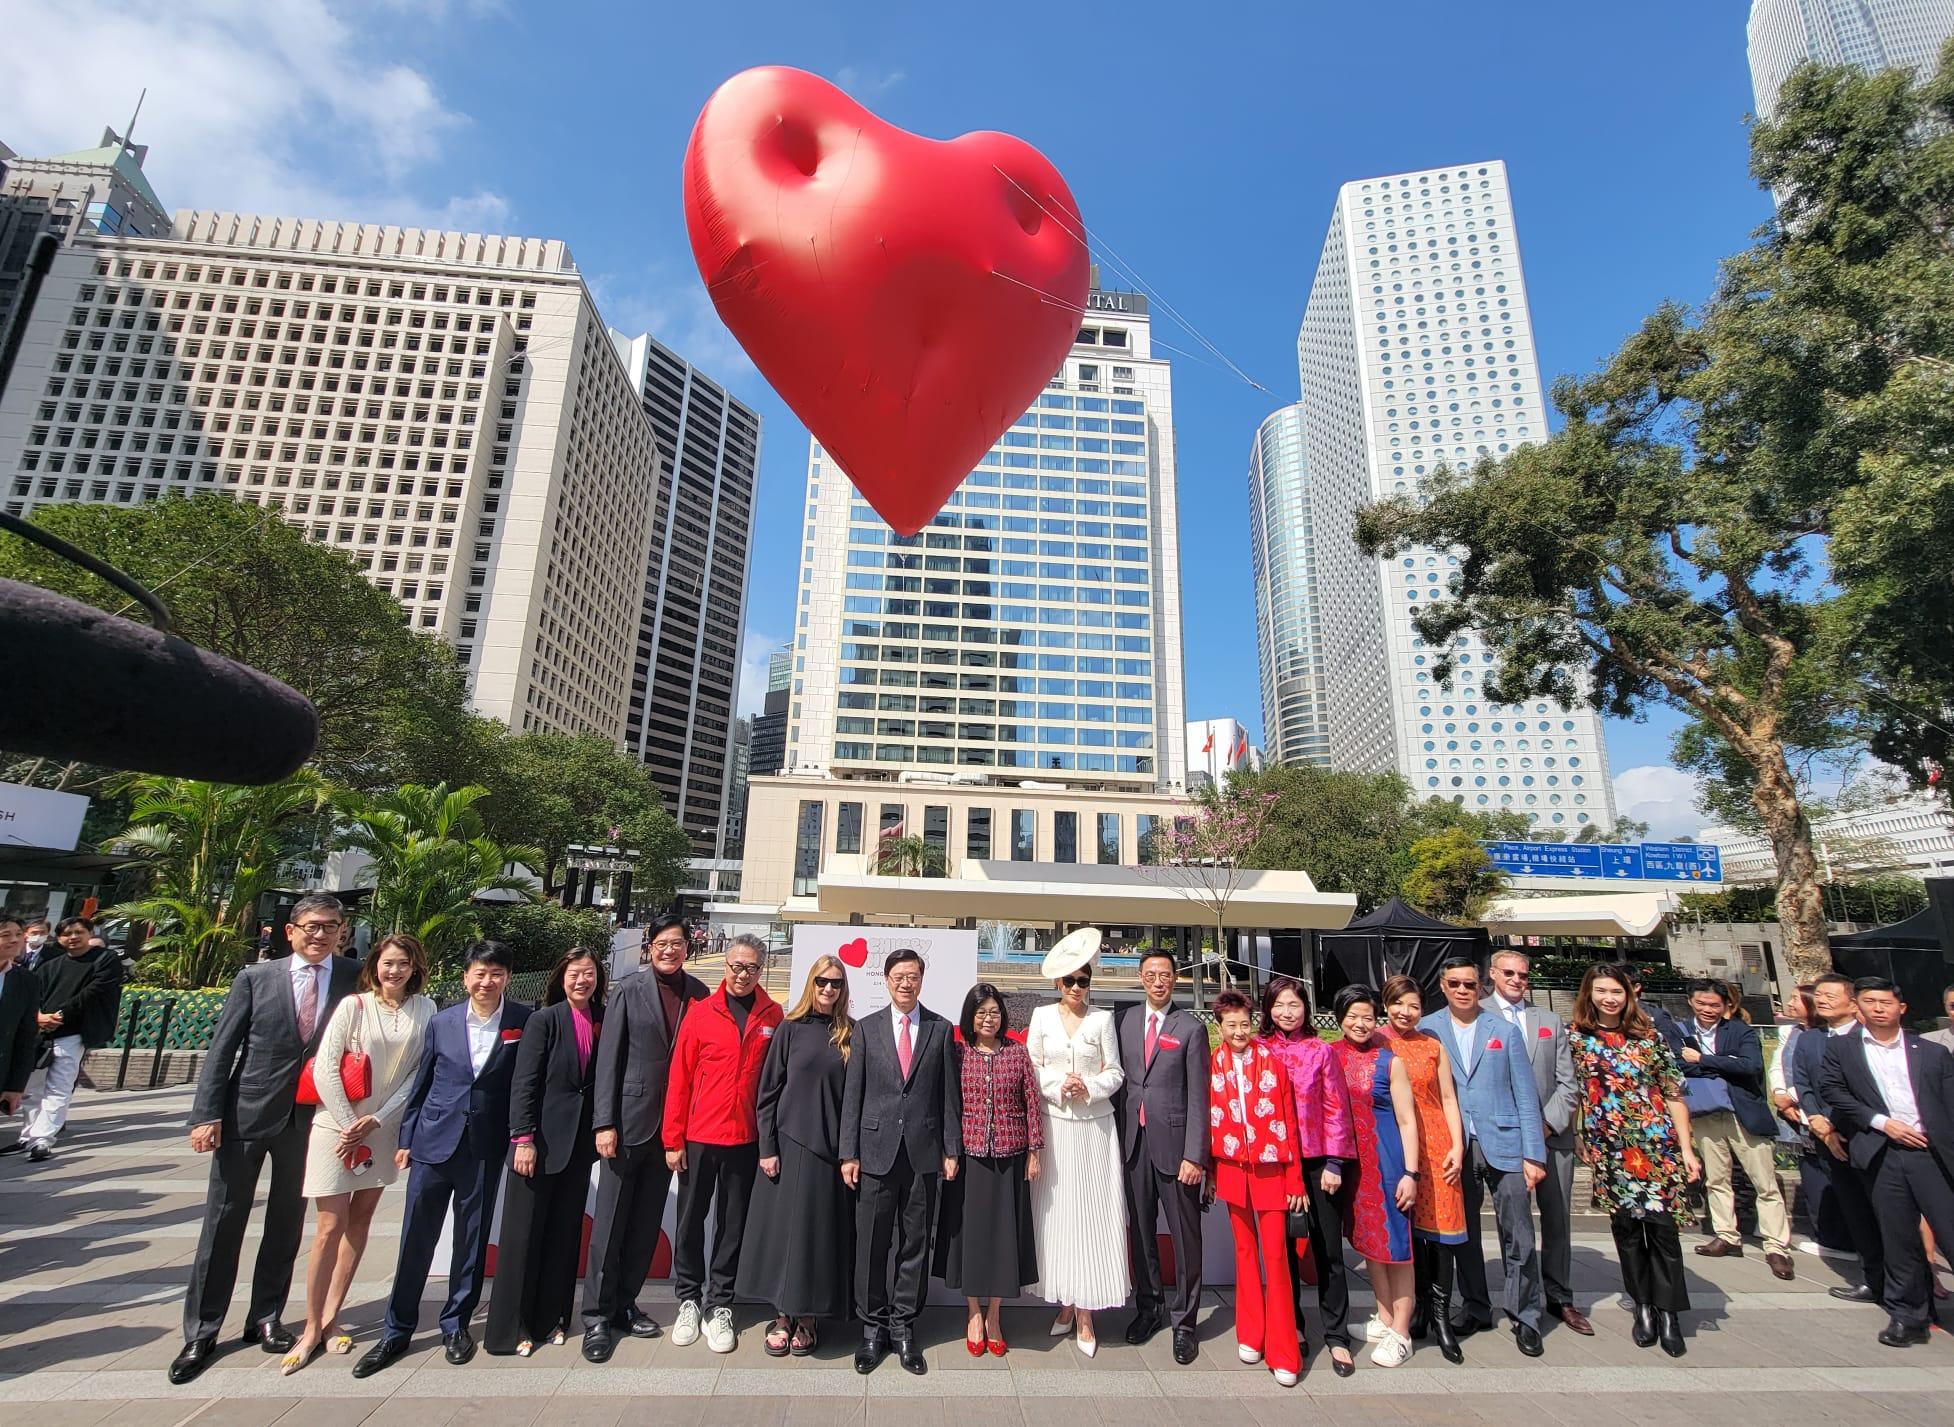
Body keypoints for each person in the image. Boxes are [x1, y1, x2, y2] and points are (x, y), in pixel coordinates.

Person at [169, 894, 359, 1385]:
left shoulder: (351, 977)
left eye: (331, 927)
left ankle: (266, 1316)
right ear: (290, 930)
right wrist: (206, 1114)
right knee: (225, 1217)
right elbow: (223, 1048)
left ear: (342, 931)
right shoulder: (257, 977)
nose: (321, 935)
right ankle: (203, 1330)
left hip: (310, 1118)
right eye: (312, 926)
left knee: (287, 1220)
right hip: (246, 1113)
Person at [354, 941, 532, 1379]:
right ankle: (397, 1329)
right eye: (479, 973)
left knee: (471, 1241)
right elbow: (424, 1079)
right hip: (434, 1142)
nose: (487, 982)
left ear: (506, 977)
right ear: (465, 977)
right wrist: (407, 1137)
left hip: (485, 1146)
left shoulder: (523, 1020)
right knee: (416, 1236)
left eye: (496, 974)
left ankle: (456, 1324)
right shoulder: (442, 1021)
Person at [283, 932, 435, 1372]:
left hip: (381, 1131)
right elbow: (327, 1064)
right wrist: (349, 1120)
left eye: (403, 964)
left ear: (415, 968)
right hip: (337, 1127)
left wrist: (378, 1119)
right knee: (329, 1226)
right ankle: (311, 1326)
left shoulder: (425, 1010)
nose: (395, 971)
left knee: (361, 1221)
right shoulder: (354, 1006)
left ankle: (333, 1318)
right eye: (388, 963)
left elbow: (416, 1074)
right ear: (375, 966)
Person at [581, 913, 709, 1362]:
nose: (670, 950)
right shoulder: (628, 991)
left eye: (677, 943)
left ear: (687, 948)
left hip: (673, 1130)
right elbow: (609, 1060)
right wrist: (604, 1123)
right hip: (628, 1123)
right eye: (662, 943)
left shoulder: (699, 993)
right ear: (649, 947)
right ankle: (596, 1315)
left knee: (643, 1225)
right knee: (611, 1223)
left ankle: (625, 1304)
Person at [1568, 963, 1702, 1358]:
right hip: (1610, 1148)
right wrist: (1579, 1134)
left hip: (1655, 1146)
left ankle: (1669, 1312)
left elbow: (1674, 1094)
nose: (1609, 998)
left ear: (1629, 994)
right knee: (1625, 1230)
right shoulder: (1577, 1038)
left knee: (1664, 1231)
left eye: (1617, 991)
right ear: (1589, 994)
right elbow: (1575, 1091)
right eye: (1602, 991)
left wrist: (1687, 1148)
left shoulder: (1649, 1038)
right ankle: (1642, 1304)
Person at [841, 947, 962, 1376]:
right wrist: (848, 1153)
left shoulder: (940, 1029)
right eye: (898, 976)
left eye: (913, 976)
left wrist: (951, 1150)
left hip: (923, 1154)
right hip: (874, 1153)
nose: (906, 983)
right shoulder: (867, 1029)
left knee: (914, 1245)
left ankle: (904, 1326)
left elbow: (949, 1096)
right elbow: (852, 1096)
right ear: (887, 980)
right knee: (872, 1244)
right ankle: (872, 1327)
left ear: (921, 980)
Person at [1420, 957, 1549, 1358]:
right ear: (1442, 986)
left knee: (1519, 1233)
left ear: (1482, 987)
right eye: (1455, 983)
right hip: (1456, 1145)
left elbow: (1526, 1095)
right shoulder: (1429, 1029)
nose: (1463, 990)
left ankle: (1525, 1313)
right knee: (1464, 1236)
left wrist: (1535, 1154)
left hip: (1505, 1140)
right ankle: (1476, 1305)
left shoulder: (1503, 1031)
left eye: (1470, 984)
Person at [1818, 976, 1954, 1348]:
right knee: (1898, 1237)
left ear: (1902, 1008)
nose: (1879, 1008)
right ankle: (1909, 1316)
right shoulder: (1843, 1050)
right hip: (1883, 1153)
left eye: (1886, 1002)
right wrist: (1882, 1124)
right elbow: (1832, 1091)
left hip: (1932, 1153)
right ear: (1859, 1007)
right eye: (1870, 1002)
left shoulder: (1930, 1052)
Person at [663, 932, 781, 1355]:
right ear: (725, 966)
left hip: (745, 1139)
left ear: (760, 970)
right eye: (736, 966)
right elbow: (679, 1079)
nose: (743, 974)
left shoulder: (773, 1014)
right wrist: (673, 1139)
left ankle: (720, 1304)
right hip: (698, 1137)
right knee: (691, 1221)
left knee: (734, 1224)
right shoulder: (701, 1013)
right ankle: (689, 1299)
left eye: (751, 967)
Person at [485, 946, 606, 1357]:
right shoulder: (544, 1020)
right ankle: (510, 1328)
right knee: (523, 1237)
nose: (581, 981)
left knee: (563, 1235)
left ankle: (552, 1319)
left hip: (577, 1148)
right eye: (574, 973)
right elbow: (525, 1083)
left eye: (588, 973)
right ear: (561, 977)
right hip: (537, 1145)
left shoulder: (601, 1019)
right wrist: (523, 1138)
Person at [739, 953, 855, 1357]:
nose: (828, 989)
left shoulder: (850, 1034)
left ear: (843, 989)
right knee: (786, 1238)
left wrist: (850, 1152)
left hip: (832, 1152)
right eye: (822, 981)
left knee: (817, 1238)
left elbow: (855, 1100)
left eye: (836, 983)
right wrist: (767, 1148)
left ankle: (809, 1318)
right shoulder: (790, 1029)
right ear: (811, 983)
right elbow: (767, 1092)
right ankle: (784, 1315)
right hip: (789, 1146)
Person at [1025, 927, 1128, 1355]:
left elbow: (1116, 1072)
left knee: (1093, 1213)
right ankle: (1064, 1301)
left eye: (1083, 980)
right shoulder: (1041, 1018)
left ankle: (1087, 1311)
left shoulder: (1103, 1020)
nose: (1076, 988)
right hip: (1054, 1126)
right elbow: (1030, 1065)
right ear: (1057, 984)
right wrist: (1056, 1083)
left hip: (1094, 1129)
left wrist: (1088, 1085)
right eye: (1069, 981)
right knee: (1058, 1214)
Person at [1483, 949, 1587, 1335]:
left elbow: (1568, 1083)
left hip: (1550, 1136)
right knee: (1515, 1226)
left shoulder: (1549, 1021)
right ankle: (1522, 1301)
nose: (1516, 980)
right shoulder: (1477, 1017)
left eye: (1523, 975)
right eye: (1508, 973)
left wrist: (1543, 1125)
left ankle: (1560, 1296)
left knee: (1558, 1220)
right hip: (1504, 1140)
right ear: (1492, 974)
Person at [1116, 948, 1211, 1365]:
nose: (1158, 981)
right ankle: (1148, 1307)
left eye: (1165, 974)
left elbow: (1199, 1097)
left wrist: (1196, 1155)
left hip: (1177, 1151)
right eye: (1151, 974)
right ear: (1140, 978)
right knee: (1140, 1234)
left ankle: (1185, 1322)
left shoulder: (1190, 1028)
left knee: (1186, 1239)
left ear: (1176, 979)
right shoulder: (1126, 1022)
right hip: (1133, 1145)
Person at [1258, 975, 1357, 1373]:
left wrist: (1335, 1163)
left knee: (1328, 1250)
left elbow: (1336, 1107)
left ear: (1306, 1009)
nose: (1286, 1012)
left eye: (1294, 1005)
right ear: (1267, 1009)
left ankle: (1336, 1335)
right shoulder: (1260, 1050)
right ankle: (1292, 1327)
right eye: (1279, 1005)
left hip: (1318, 1163)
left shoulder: (1320, 1051)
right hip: (1275, 1163)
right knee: (1281, 1252)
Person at [935, 981, 1040, 1355]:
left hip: (1010, 1157)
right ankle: (973, 1312)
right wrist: (949, 1150)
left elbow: (1032, 1102)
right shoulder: (958, 1054)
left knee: (1003, 1239)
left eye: (994, 1012)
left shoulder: (1017, 1053)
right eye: (981, 1012)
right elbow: (948, 1105)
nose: (988, 1019)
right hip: (969, 1157)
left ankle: (995, 1313)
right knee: (971, 1240)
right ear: (970, 1017)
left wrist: (1034, 1150)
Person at [1665, 978, 1795, 1279]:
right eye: (1701, 1003)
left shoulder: (1740, 1030)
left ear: (1726, 1005)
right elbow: (1676, 1066)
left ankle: (1776, 1245)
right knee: (1716, 1177)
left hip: (1741, 1111)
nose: (1707, 1009)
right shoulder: (1680, 1030)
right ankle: (1726, 1234)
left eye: (1714, 1005)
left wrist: (1703, 1060)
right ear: (1690, 1002)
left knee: (1764, 1180)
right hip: (1706, 1112)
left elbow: (1750, 1066)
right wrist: (1724, 1063)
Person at [1208, 990, 1306, 1388]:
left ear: (1253, 1022)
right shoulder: (1213, 1064)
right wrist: (1213, 1171)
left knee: (1277, 1260)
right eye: (1230, 1025)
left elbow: (1290, 1121)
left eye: (1244, 1023)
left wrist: (1295, 1176)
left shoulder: (1272, 1063)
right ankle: (1250, 1333)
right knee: (1245, 1255)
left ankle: (1284, 1351)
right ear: (1219, 1027)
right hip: (1232, 1169)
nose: (1238, 1031)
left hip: (1270, 1171)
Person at [1327, 985, 1421, 1368]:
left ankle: (1402, 1329)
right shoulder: (1331, 1053)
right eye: (1353, 1016)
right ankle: (1384, 1317)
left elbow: (1406, 1119)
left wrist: (1410, 1173)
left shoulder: (1389, 1061)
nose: (1360, 1023)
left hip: (1387, 1161)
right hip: (1353, 1165)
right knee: (1370, 1243)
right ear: (1339, 1017)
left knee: (1397, 1247)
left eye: (1368, 1016)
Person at [1378, 974, 1469, 1361]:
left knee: (1442, 1235)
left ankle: (1441, 1316)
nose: (1406, 1012)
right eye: (1399, 1004)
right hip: (1396, 1147)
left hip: (1437, 1144)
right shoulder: (1377, 1041)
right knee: (1407, 1231)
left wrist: (1458, 1144)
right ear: (1386, 1004)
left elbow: (1448, 1097)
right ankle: (1408, 1314)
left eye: (1414, 1005)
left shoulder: (1432, 1045)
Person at [1787, 976, 1887, 1294]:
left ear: (1852, 1002)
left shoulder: (1869, 1037)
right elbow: (1803, 1084)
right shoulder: (1809, 1039)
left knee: (1885, 1211)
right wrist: (1817, 1120)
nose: (1823, 1000)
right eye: (1818, 995)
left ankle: (1909, 1283)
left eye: (1831, 995)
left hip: (1867, 1136)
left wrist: (1836, 1125)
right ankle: (1874, 1279)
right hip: (1827, 1137)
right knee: (1855, 1211)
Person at [9, 914, 124, 1161]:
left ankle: (42, 1140)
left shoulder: (105, 960)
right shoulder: (50, 965)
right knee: (31, 1088)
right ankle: (26, 1136)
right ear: (59, 938)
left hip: (73, 1033)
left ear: (89, 933)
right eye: (66, 934)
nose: (72, 938)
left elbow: (95, 991)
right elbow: (33, 994)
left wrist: (60, 1014)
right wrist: (39, 1016)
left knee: (59, 1087)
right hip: (41, 1033)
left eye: (78, 932)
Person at [0, 916, 43, 1123]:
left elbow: (26, 1037)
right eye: (5, 935)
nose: (15, 940)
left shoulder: (26, 980)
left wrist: (15, 1086)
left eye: (18, 934)